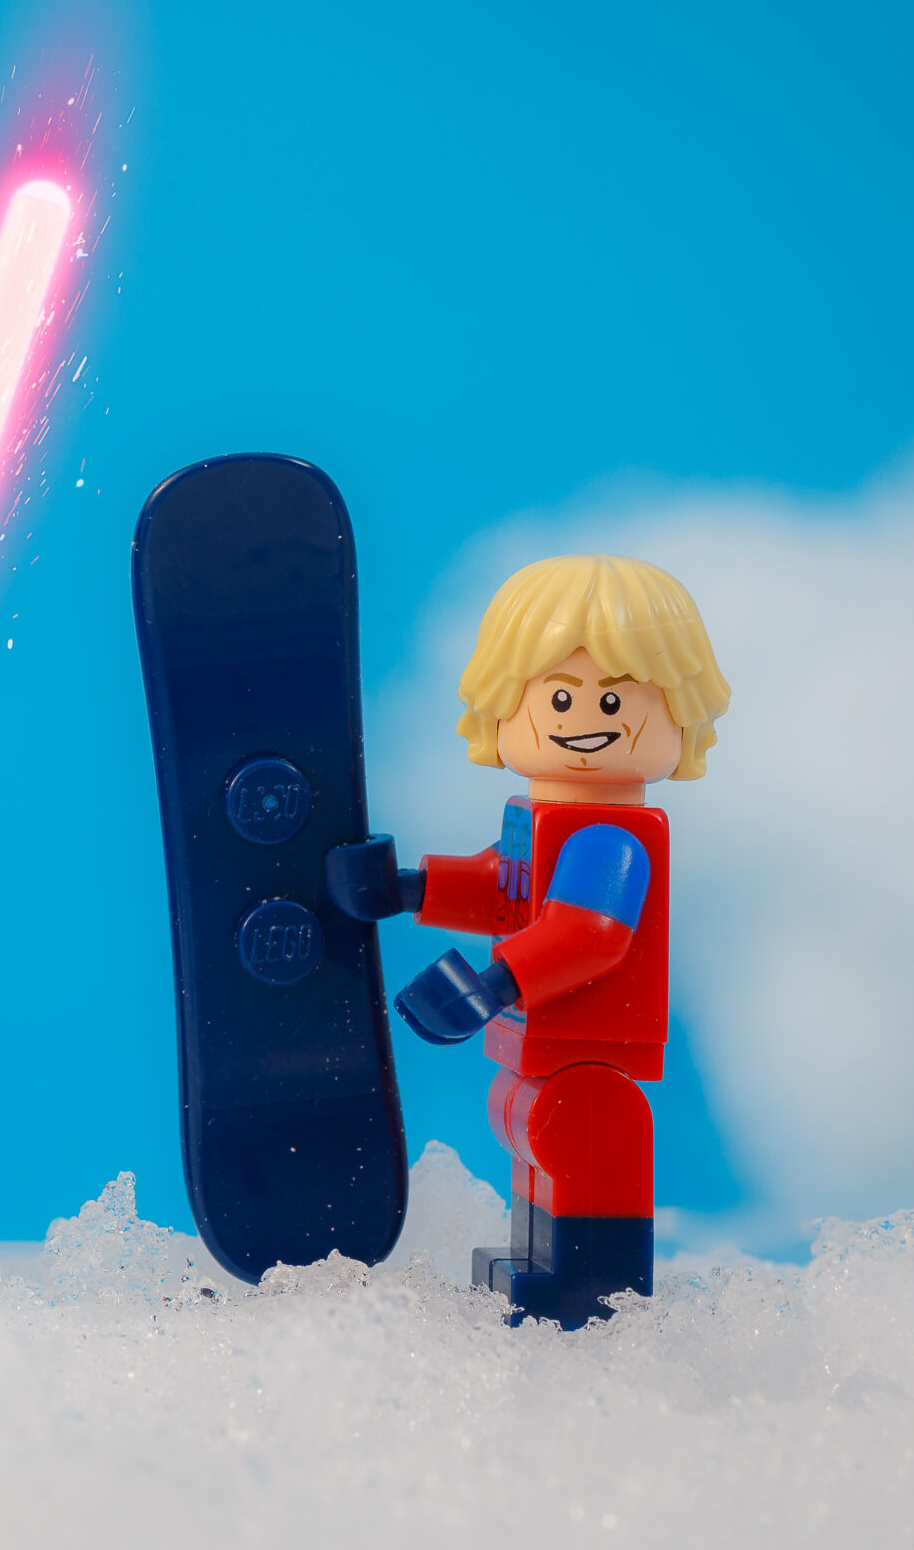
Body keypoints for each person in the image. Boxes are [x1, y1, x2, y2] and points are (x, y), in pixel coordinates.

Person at [328, 553, 731, 1326]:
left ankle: (588, 1284)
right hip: (544, 1040)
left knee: (581, 1144)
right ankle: (539, 1261)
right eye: (559, 695)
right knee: (531, 1136)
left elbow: (589, 934)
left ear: (678, 713)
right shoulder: (543, 823)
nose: (583, 718)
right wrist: (408, 887)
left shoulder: (610, 840)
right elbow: (504, 888)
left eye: (613, 698)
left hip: (592, 1044)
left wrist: (495, 985)